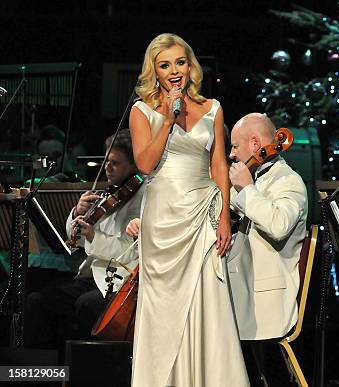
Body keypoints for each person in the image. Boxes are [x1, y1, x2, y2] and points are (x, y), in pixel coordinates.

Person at [129, 33, 249, 386]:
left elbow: (219, 168)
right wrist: (167, 117)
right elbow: (145, 165)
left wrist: (225, 215)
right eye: (165, 65)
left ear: (190, 65)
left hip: (203, 216)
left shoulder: (213, 108)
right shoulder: (142, 111)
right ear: (155, 71)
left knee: (208, 302)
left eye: (180, 62)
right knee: (163, 307)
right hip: (163, 221)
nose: (174, 71)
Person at [25, 129, 143, 349]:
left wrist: (93, 235)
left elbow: (131, 252)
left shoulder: (143, 198)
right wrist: (77, 213)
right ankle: (46, 371)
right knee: (36, 301)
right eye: (106, 161)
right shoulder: (112, 193)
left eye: (114, 163)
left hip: (117, 281)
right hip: (91, 276)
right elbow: (75, 239)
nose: (106, 168)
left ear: (134, 165)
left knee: (84, 305)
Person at [226, 113, 307, 385]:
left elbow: (279, 224)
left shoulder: (288, 181)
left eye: (235, 146)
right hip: (240, 289)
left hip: (264, 300)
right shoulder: (255, 179)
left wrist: (246, 189)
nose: (231, 153)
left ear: (255, 142)